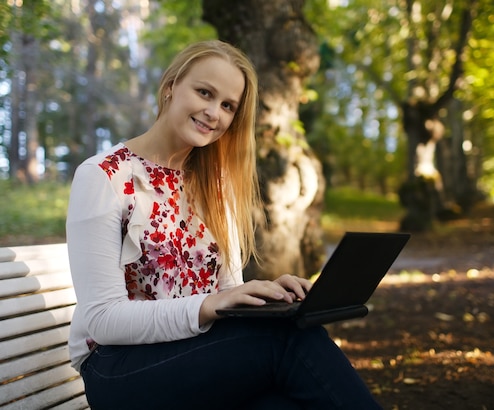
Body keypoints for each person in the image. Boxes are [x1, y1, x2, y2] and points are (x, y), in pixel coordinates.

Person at [65, 40, 382, 409]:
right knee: (290, 341)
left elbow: (227, 293)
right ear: (171, 86)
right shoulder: (104, 176)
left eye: (228, 105)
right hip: (119, 370)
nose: (214, 112)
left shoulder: (213, 186)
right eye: (205, 93)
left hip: (193, 357)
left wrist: (264, 298)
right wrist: (211, 305)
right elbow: (103, 320)